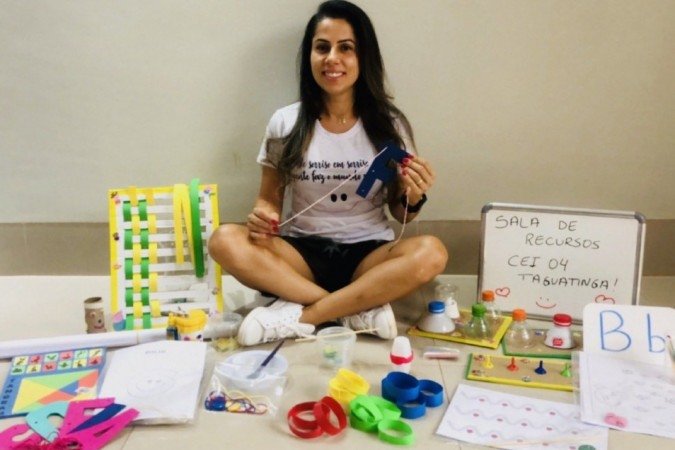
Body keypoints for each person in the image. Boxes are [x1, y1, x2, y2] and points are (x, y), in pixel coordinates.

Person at [208, 0, 448, 346]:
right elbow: (268, 199)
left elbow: (402, 213)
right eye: (322, 48)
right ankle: (353, 309)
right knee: (224, 240)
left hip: (369, 256)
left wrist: (414, 194)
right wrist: (264, 216)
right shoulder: (286, 122)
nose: (332, 58)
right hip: (300, 256)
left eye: (345, 48)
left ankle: (305, 316)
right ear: (309, 56)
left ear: (363, 57)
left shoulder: (390, 125)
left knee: (433, 252)